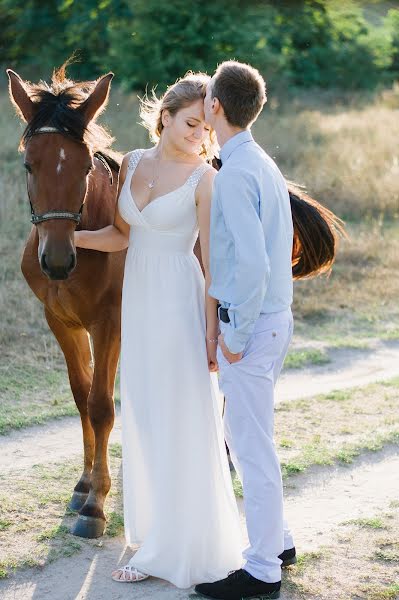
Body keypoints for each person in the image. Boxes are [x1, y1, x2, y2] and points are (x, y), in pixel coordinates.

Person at [74, 73, 243, 588]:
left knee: (179, 419)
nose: (200, 134)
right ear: (165, 115)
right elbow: (121, 236)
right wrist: (68, 235)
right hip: (140, 304)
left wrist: (211, 335)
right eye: (192, 123)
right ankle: (151, 531)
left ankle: (178, 549)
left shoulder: (204, 178)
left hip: (179, 304)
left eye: (206, 126)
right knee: (144, 415)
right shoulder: (131, 163)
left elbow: (213, 265)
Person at [195, 61, 296, 600]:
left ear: (214, 107)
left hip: (252, 330)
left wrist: (232, 338)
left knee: (251, 449)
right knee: (255, 439)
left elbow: (252, 267)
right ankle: (278, 542)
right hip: (275, 322)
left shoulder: (235, 174)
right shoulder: (258, 161)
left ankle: (261, 571)